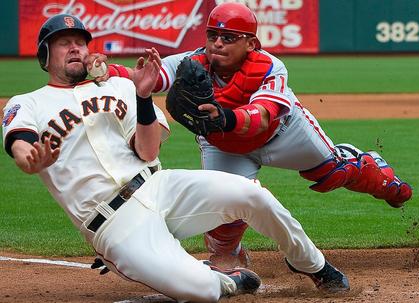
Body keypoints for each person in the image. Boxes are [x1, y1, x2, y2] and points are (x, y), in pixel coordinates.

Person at [2, 14, 350, 302]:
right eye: (64, 42)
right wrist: (28, 159)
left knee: (252, 194)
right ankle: (223, 281)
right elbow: (21, 142)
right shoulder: (29, 102)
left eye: (80, 41)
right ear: (46, 56)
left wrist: (141, 97)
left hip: (159, 186)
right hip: (112, 223)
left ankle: (314, 266)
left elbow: (148, 151)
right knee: (199, 291)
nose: (75, 47)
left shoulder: (118, 87)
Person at [106, 2, 413, 269]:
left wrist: (225, 117)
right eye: (213, 35)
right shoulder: (193, 62)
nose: (218, 44)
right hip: (226, 147)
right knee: (226, 199)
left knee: (333, 172)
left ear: (250, 43)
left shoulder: (270, 67)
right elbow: (146, 77)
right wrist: (105, 71)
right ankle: (227, 256)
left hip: (285, 133)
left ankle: (374, 172)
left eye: (229, 37)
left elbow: (263, 114)